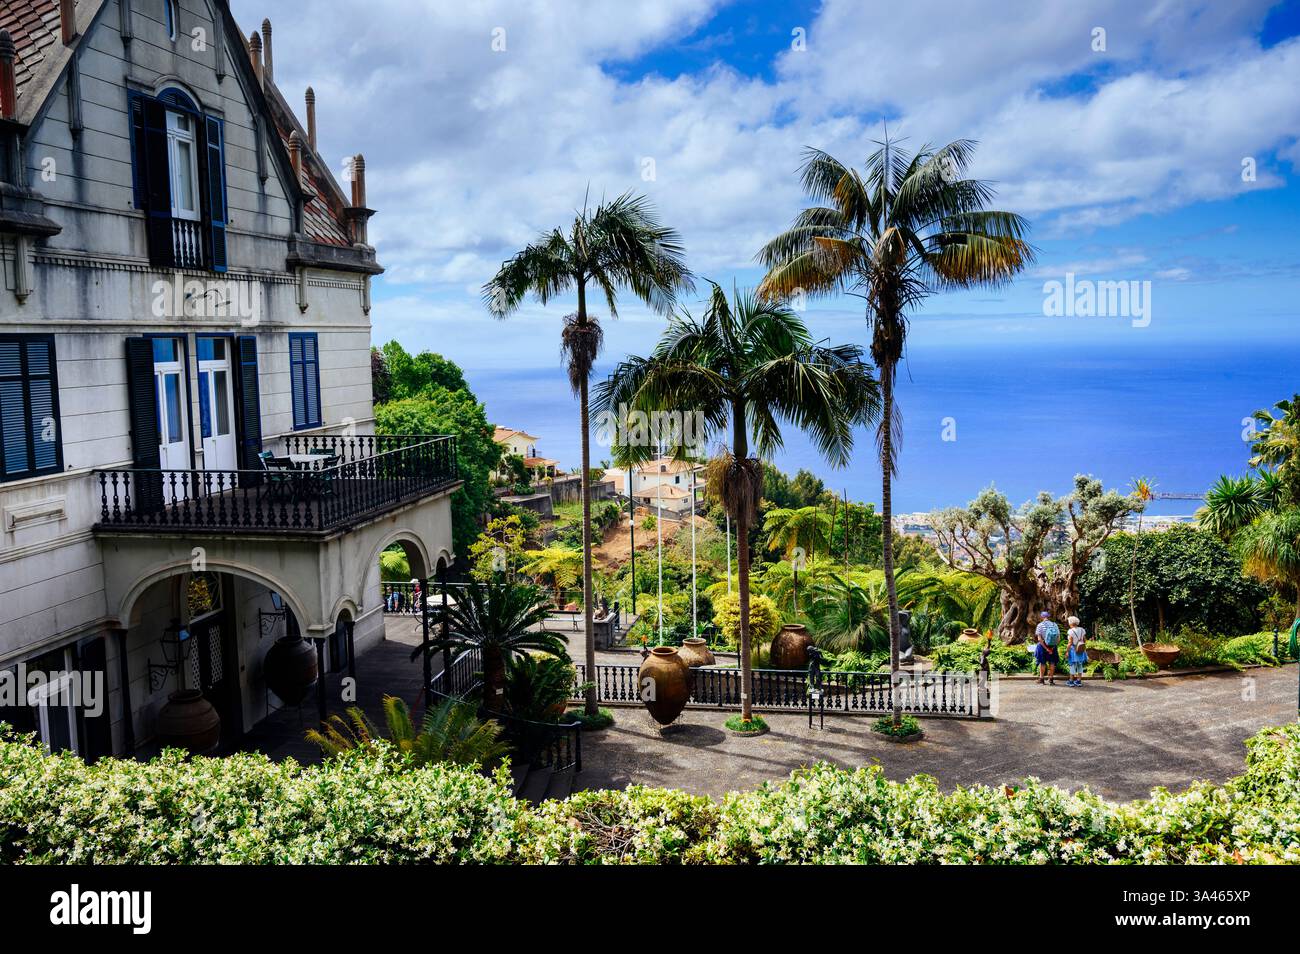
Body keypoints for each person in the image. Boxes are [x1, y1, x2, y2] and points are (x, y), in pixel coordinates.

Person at [1034, 610, 1061, 685]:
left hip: (1042, 646)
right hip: (1052, 646)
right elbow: (1058, 638)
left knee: (1042, 663)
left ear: (1042, 617)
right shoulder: (1054, 625)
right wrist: (1052, 648)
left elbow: (1039, 639)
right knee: (1052, 663)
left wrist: (1046, 648)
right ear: (1048, 617)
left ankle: (1041, 679)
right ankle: (1051, 679)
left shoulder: (1040, 625)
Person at [1066, 615, 1088, 687]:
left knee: (1072, 665)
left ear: (1071, 623)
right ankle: (1079, 681)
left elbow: (1070, 643)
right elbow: (1085, 640)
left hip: (1073, 650)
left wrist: (1067, 651)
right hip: (1081, 650)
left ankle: (1071, 681)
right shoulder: (1082, 629)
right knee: (1080, 665)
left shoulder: (1070, 631)